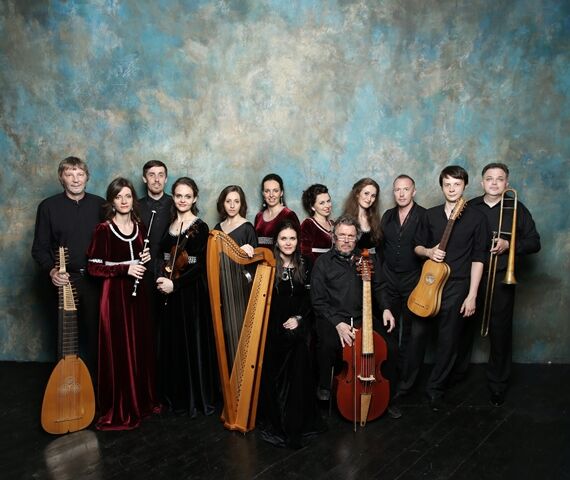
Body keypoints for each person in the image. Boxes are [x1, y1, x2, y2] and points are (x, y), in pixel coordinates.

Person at [398, 166, 488, 411]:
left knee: (448, 340)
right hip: (428, 284)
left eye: (456, 184)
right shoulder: (430, 215)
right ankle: (405, 387)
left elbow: (479, 258)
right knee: (417, 335)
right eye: (447, 184)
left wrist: (472, 295)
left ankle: (435, 389)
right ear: (441, 186)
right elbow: (416, 247)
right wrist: (429, 251)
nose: (451, 189)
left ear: (465, 186)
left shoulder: (477, 218)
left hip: (457, 285)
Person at [459, 163, 540, 407]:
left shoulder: (516, 207)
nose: (494, 183)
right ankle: (457, 375)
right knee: (461, 328)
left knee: (500, 332)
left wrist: (509, 244)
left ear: (507, 183)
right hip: (468, 278)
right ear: (481, 182)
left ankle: (498, 384)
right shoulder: (470, 207)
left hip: (501, 278)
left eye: (499, 178)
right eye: (489, 178)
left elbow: (534, 242)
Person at [86, 177, 160, 430]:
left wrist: (145, 259)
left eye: (128, 196)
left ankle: (140, 402)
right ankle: (120, 407)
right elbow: (93, 268)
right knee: (119, 349)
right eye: (118, 197)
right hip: (115, 298)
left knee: (138, 346)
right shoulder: (103, 230)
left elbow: (142, 261)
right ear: (112, 201)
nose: (124, 201)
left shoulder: (140, 227)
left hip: (138, 298)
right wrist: (124, 269)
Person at [311, 215, 401, 419]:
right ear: (334, 237)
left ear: (357, 238)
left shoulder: (367, 259)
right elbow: (318, 301)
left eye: (351, 236)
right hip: (334, 318)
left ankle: (389, 398)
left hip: (363, 318)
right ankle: (325, 388)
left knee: (391, 348)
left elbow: (380, 287)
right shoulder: (323, 263)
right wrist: (338, 324)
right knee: (327, 345)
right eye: (342, 235)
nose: (346, 240)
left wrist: (386, 308)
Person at [32, 156, 104, 381]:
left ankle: (96, 389)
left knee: (97, 336)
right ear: (61, 178)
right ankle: (65, 387)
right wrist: (52, 271)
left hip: (95, 280)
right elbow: (39, 248)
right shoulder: (48, 207)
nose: (75, 179)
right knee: (65, 338)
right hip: (65, 280)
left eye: (80, 174)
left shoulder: (101, 205)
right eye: (69, 174)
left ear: (87, 177)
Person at [257, 221, 325, 449]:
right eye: (284, 238)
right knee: (276, 363)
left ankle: (296, 424)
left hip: (298, 323)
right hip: (273, 327)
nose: (288, 243)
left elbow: (310, 299)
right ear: (276, 241)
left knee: (298, 354)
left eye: (292, 238)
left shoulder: (306, 263)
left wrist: (298, 319)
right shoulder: (268, 263)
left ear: (298, 241)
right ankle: (278, 422)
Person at [155, 177, 218, 417]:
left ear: (195, 199)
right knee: (173, 342)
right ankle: (175, 397)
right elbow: (163, 256)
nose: (183, 200)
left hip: (190, 292)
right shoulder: (169, 224)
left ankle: (193, 398)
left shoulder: (200, 227)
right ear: (174, 197)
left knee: (190, 342)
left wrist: (176, 284)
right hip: (168, 290)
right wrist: (161, 278)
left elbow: (200, 266)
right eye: (179, 196)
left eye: (187, 196)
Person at [380, 175, 426, 377]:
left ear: (413, 191)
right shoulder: (387, 215)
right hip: (389, 278)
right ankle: (389, 372)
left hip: (413, 279)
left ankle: (405, 374)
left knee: (410, 329)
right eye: (397, 189)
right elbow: (381, 247)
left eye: (406, 189)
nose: (401, 193)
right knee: (389, 325)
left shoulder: (424, 215)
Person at [254, 173, 300, 249]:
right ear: (263, 193)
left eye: (275, 191)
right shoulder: (259, 216)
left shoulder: (289, 215)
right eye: (267, 191)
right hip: (260, 256)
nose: (271, 195)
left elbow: (298, 244)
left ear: (281, 193)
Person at [342, 178, 382, 261]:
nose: (369, 199)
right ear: (357, 193)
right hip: (354, 262)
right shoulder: (346, 219)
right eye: (366, 193)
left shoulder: (374, 218)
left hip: (373, 262)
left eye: (373, 196)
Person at [213, 185, 257, 256]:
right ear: (223, 203)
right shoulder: (217, 227)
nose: (232, 206)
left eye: (236, 201)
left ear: (241, 204)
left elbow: (255, 258)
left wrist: (242, 252)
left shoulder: (247, 228)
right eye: (228, 201)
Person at [300, 184, 334, 263]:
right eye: (322, 203)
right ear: (312, 207)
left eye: (328, 201)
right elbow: (305, 253)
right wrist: (320, 267)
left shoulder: (333, 224)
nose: (327, 206)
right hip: (316, 267)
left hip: (333, 267)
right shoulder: (308, 224)